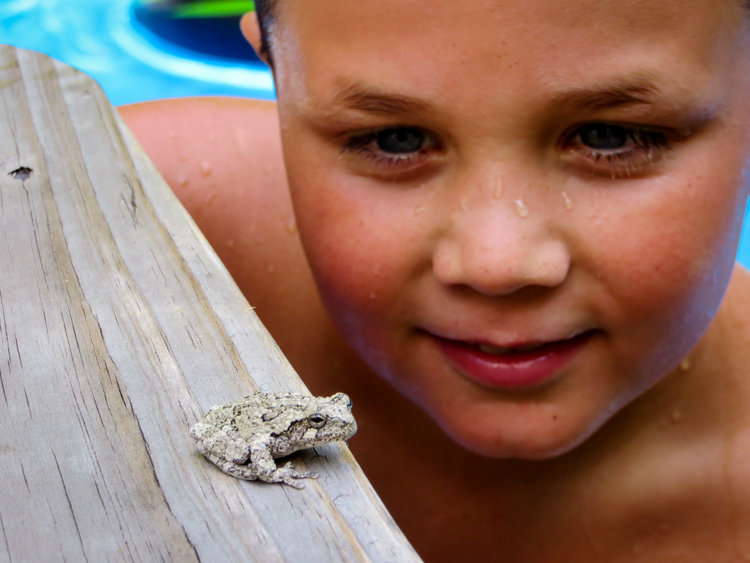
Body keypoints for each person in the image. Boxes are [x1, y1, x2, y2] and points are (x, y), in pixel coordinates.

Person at [119, 0, 750, 559]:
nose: (496, 265)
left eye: (611, 136)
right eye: (395, 139)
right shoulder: (132, 207)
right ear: (275, 70)